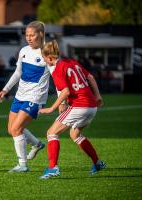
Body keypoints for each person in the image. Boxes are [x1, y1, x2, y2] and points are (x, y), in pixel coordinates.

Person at [38, 40, 106, 180]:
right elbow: (91, 77)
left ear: (50, 57)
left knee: (51, 133)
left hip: (79, 106)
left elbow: (65, 92)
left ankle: (52, 168)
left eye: (45, 59)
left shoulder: (57, 69)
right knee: (75, 134)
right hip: (91, 107)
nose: (45, 62)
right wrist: (98, 96)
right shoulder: (73, 62)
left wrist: (52, 108)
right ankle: (97, 163)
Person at [0, 21, 49, 172]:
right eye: (27, 35)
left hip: (35, 97)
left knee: (16, 129)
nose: (29, 38)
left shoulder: (47, 52)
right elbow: (18, 72)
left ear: (40, 34)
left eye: (32, 35)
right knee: (11, 129)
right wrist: (5, 89)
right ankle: (37, 144)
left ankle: (22, 165)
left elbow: (56, 76)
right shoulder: (24, 50)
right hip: (20, 96)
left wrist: (62, 99)